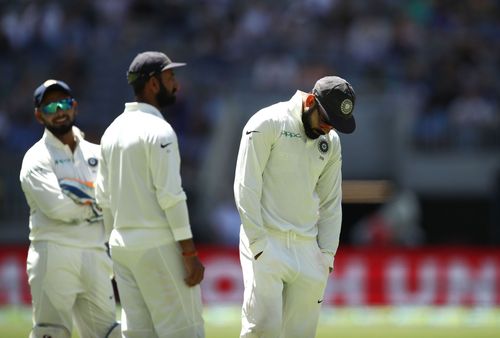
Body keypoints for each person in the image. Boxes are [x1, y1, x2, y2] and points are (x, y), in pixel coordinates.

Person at [234, 76, 356, 337]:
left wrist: (326, 256)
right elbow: (246, 187)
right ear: (311, 101)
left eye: (334, 125)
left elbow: (331, 201)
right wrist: (257, 244)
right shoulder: (267, 122)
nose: (327, 129)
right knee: (262, 330)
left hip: (308, 249)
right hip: (267, 241)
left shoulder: (331, 141)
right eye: (325, 120)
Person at [95, 51, 205, 338]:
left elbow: (102, 198)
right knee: (184, 332)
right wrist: (189, 252)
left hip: (122, 247)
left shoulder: (111, 132)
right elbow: (171, 196)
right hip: (158, 245)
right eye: (170, 78)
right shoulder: (160, 131)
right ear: (153, 84)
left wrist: (112, 249)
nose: (176, 85)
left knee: (138, 334)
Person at [19, 79, 120, 338]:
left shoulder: (98, 153)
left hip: (95, 254)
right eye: (51, 106)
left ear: (74, 107)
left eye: (64, 103)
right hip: (54, 252)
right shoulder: (36, 158)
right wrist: (99, 202)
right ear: (39, 115)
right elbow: (57, 208)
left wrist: (80, 196)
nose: (59, 111)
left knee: (108, 333)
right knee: (51, 332)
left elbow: (117, 201)